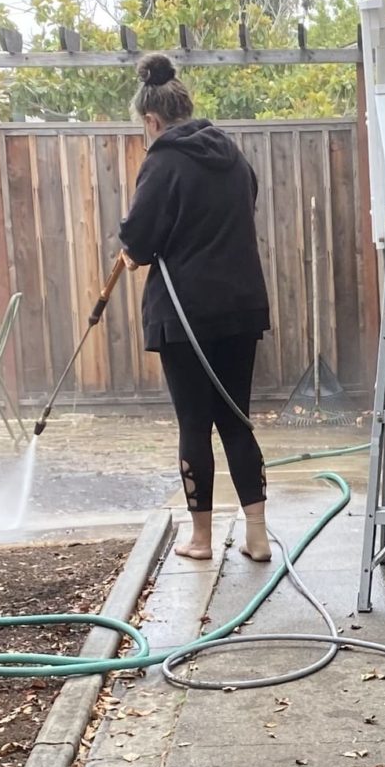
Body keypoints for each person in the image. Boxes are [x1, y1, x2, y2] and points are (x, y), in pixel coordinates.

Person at [118, 53, 272, 562]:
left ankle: (201, 540)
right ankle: (257, 535)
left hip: (183, 316)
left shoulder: (161, 161)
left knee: (194, 424)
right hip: (240, 307)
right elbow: (246, 200)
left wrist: (134, 249)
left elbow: (138, 243)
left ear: (151, 119)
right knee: (236, 419)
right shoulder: (230, 152)